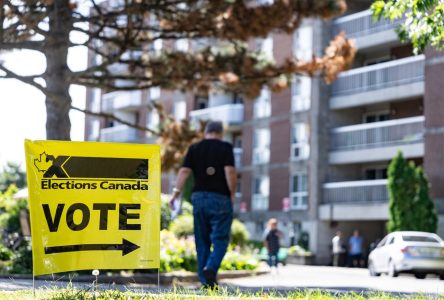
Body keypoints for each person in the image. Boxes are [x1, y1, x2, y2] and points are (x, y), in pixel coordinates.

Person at [169, 121, 236, 288]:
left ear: (206, 132)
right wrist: (231, 193)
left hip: (199, 198)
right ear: (220, 133)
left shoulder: (195, 148)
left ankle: (206, 282)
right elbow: (230, 171)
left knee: (202, 240)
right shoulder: (226, 148)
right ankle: (211, 267)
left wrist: (175, 194)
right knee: (220, 238)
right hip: (220, 197)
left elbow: (184, 171)